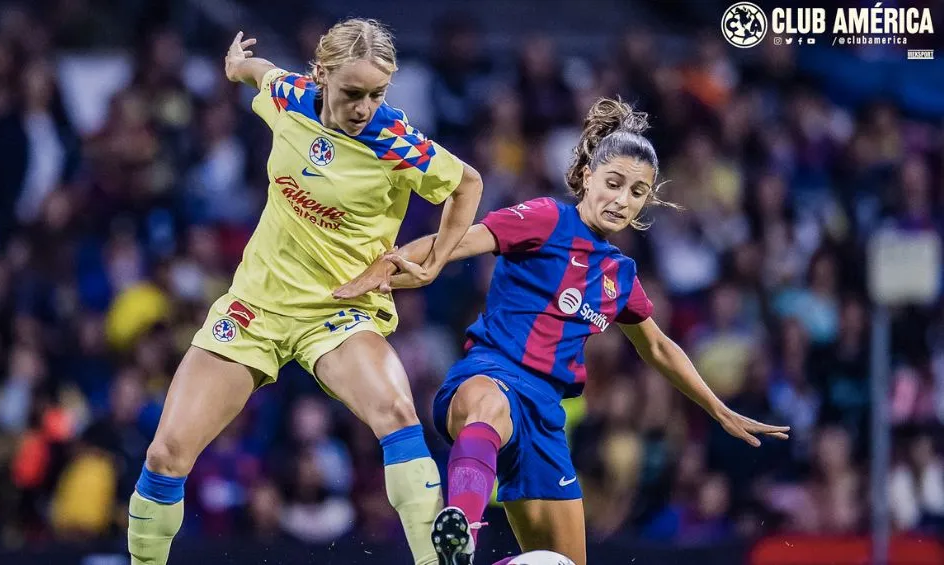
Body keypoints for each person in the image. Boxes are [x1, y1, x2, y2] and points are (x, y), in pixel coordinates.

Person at [335, 97, 789, 565]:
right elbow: (457, 241)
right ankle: (459, 536)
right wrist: (387, 268)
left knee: (563, 564)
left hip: (547, 418)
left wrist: (717, 408)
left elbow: (657, 346)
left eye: (636, 192)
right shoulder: (548, 218)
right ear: (589, 176)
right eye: (613, 183)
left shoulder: (621, 274)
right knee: (489, 408)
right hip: (491, 374)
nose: (621, 199)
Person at [127, 19, 483, 565]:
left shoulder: (395, 141)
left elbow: (467, 184)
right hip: (255, 308)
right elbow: (260, 73)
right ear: (321, 77)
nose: (365, 107)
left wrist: (432, 264)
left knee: (396, 412)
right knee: (166, 453)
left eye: (377, 94)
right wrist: (236, 64)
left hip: (338, 314)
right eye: (351, 93)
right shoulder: (291, 96)